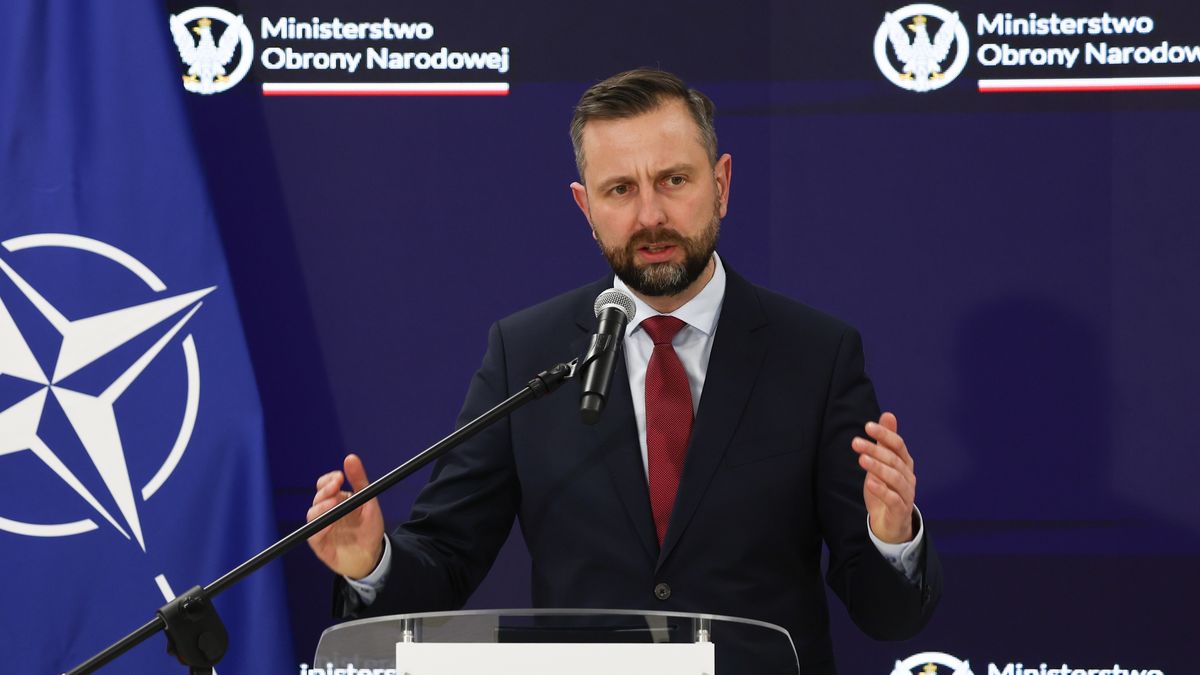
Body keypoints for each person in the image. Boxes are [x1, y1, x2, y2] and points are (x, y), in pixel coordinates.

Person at [307, 68, 941, 674]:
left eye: (673, 180)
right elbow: (444, 561)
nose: (649, 217)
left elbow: (889, 616)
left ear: (721, 184)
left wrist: (892, 539)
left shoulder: (816, 354)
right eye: (620, 190)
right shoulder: (527, 354)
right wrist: (372, 564)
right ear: (585, 205)